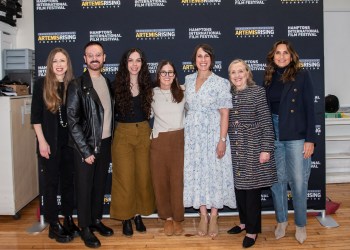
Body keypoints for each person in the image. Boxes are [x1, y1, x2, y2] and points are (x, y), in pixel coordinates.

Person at [264, 40, 316, 244]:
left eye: (286, 53)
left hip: (295, 134)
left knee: (299, 183)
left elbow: (310, 110)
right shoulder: (268, 77)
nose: (282, 56)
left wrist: (310, 139)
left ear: (292, 55)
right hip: (273, 133)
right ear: (273, 56)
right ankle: (282, 221)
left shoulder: (302, 75)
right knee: (277, 182)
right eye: (278, 53)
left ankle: (301, 225)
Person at [183, 43, 236, 238]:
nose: (203, 60)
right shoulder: (188, 80)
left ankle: (214, 215)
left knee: (215, 173)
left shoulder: (221, 83)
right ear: (194, 60)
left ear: (211, 60)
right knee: (198, 173)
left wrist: (222, 139)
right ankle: (203, 215)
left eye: (206, 56)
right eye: (199, 56)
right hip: (193, 137)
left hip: (214, 133)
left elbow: (224, 114)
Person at [66, 41, 114, 248]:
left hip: (104, 144)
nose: (94, 58)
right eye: (90, 55)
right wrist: (85, 150)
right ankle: (84, 227)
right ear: (85, 59)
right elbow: (72, 120)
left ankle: (95, 220)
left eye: (98, 54)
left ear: (104, 58)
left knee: (98, 186)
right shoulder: (77, 85)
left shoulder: (107, 82)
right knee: (85, 188)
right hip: (84, 146)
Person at [226, 59, 277, 248]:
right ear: (229, 76)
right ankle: (244, 222)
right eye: (233, 72)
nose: (237, 76)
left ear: (247, 73)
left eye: (240, 71)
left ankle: (253, 231)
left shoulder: (257, 92)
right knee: (240, 189)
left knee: (252, 191)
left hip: (254, 147)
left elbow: (266, 122)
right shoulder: (228, 94)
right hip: (235, 149)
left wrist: (266, 149)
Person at [31, 47, 79, 243]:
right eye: (55, 61)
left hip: (69, 144)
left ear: (68, 64)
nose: (59, 65)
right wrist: (42, 142)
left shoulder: (73, 85)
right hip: (49, 144)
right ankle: (53, 224)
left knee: (69, 183)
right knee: (50, 185)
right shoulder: (42, 84)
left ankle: (68, 218)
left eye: (63, 61)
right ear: (50, 65)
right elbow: (36, 118)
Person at [110, 48, 155, 237]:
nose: (134, 64)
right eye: (130, 60)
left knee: (143, 177)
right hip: (123, 134)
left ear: (143, 64)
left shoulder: (149, 85)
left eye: (138, 60)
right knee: (124, 179)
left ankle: (138, 215)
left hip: (144, 132)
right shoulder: (115, 86)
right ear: (125, 63)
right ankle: (126, 218)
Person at [150, 60, 186, 236]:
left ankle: (178, 218)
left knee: (177, 182)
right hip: (159, 141)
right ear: (158, 75)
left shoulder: (183, 92)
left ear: (175, 75)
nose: (167, 76)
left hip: (179, 140)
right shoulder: (151, 93)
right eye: (163, 72)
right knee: (160, 181)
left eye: (170, 72)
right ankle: (167, 218)